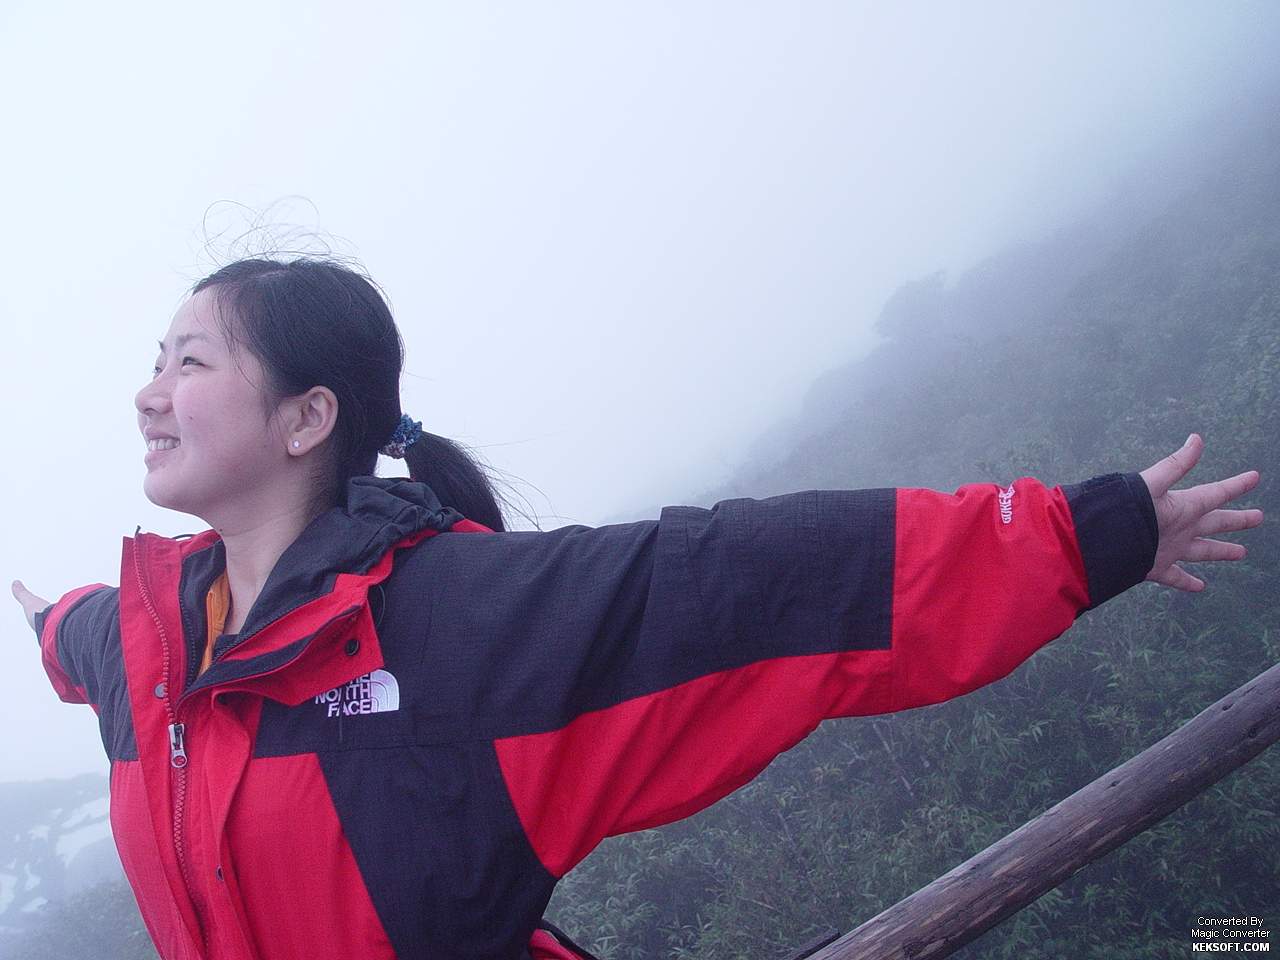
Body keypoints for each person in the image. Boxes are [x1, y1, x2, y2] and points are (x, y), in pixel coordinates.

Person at [11, 257, 1263, 960]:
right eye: (153, 361)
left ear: (306, 417)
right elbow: (82, 638)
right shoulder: (147, 647)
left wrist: (1086, 534)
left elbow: (759, 584)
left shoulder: (461, 627)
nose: (148, 393)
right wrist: (46, 621)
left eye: (188, 362)